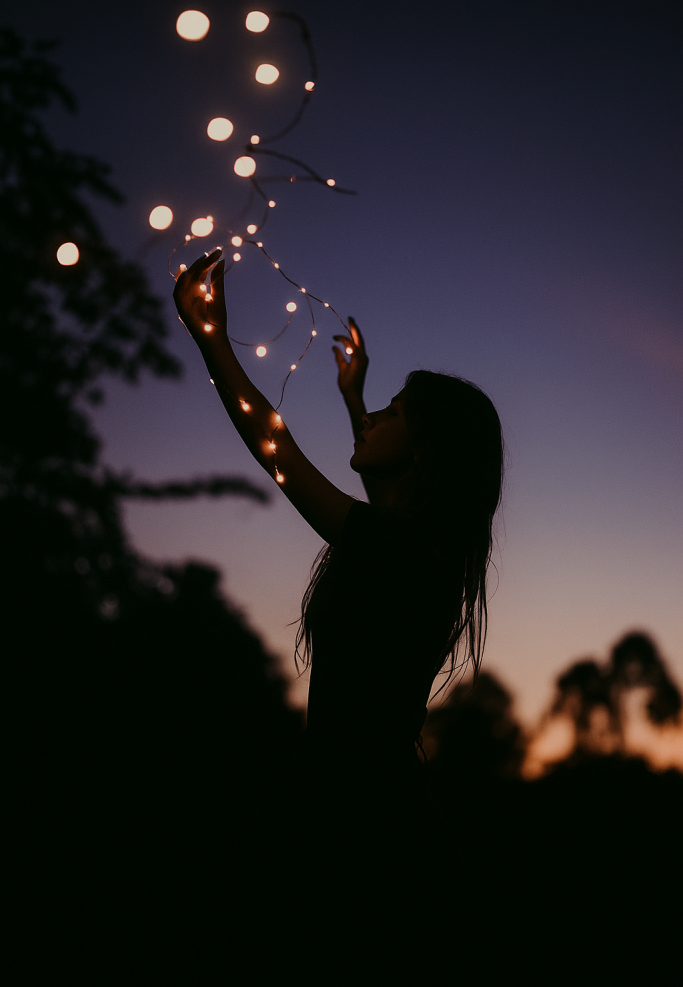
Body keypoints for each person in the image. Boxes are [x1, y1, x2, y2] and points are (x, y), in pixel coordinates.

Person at [173, 249, 505, 952]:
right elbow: (380, 492)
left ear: (426, 451)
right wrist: (355, 400)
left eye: (391, 412)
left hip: (363, 823)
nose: (370, 418)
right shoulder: (414, 544)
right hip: (363, 810)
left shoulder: (401, 546)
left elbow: (277, 450)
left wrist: (211, 341)